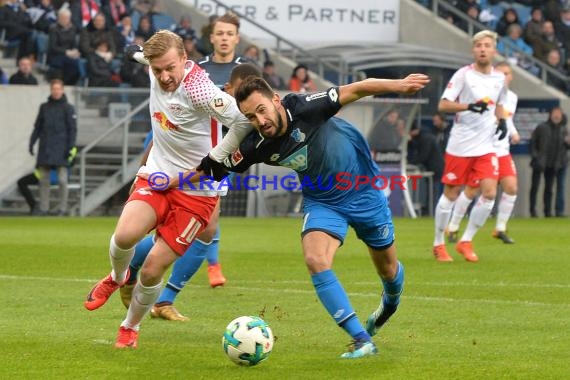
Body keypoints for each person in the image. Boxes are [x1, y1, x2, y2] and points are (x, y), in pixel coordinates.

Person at [196, 72, 429, 358]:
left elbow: (357, 89)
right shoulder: (255, 145)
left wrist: (398, 85)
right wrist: (164, 182)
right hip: (322, 201)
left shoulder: (305, 107)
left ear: (276, 101)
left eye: (262, 110)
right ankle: (361, 339)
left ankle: (389, 304)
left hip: (363, 191)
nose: (260, 121)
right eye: (251, 117)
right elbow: (210, 169)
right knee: (315, 259)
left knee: (388, 270)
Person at [82, 30, 252, 349]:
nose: (164, 76)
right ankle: (117, 277)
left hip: (197, 190)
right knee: (124, 236)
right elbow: (140, 55)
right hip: (158, 176)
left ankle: (129, 327)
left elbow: (242, 122)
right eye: (157, 69)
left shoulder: (200, 89)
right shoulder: (153, 66)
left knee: (151, 270)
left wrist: (216, 158)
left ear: (184, 61)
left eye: (170, 68)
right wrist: (131, 50)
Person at [121, 13, 245, 322]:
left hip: (217, 159)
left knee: (201, 232)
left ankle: (160, 295)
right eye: (220, 33)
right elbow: (169, 121)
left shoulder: (245, 72)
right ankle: (154, 289)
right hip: (186, 163)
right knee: (201, 232)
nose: (225, 38)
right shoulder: (192, 70)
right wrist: (149, 155)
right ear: (211, 38)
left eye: (230, 33)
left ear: (237, 38)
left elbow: (249, 112)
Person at [432, 30, 508, 263]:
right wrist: (468, 107)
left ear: (494, 51)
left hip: (486, 147)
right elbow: (443, 105)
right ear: (473, 50)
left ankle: (466, 240)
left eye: (487, 45)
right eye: (478, 46)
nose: (482, 49)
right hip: (461, 145)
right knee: (452, 194)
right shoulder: (464, 75)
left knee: (489, 193)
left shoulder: (499, 78)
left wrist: (503, 120)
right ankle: (438, 243)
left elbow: (500, 104)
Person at [446, 61, 520, 245]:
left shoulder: (512, 97)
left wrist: (512, 131)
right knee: (473, 189)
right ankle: (453, 225)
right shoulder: (486, 92)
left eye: (508, 73)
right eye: (502, 72)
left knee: (511, 187)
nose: (505, 76)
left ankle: (500, 228)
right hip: (484, 147)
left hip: (502, 150)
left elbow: (506, 118)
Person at [28, 79, 77, 216]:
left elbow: (72, 130)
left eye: (58, 89)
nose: (56, 91)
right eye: (53, 89)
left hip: (62, 148)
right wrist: (32, 143)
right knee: (44, 180)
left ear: (62, 90)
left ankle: (62, 208)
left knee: (62, 180)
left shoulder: (68, 108)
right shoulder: (44, 107)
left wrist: (70, 147)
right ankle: (44, 208)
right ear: (51, 90)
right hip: (46, 148)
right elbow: (37, 127)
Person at [529, 106, 569, 218]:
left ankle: (548, 212)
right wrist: (535, 157)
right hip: (539, 162)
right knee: (535, 187)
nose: (557, 116)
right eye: (555, 113)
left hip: (553, 164)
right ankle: (533, 210)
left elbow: (565, 146)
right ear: (550, 114)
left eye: (559, 114)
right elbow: (532, 143)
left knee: (549, 188)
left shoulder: (563, 129)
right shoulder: (542, 127)